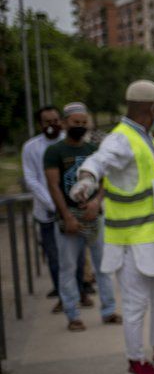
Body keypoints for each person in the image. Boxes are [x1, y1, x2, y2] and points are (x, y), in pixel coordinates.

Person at [71, 80, 154, 374]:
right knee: (135, 303)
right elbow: (99, 161)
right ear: (152, 108)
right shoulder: (122, 139)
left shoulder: (146, 136)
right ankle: (135, 361)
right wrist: (87, 180)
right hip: (132, 241)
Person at [42, 102, 119, 331]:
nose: (80, 127)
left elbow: (106, 179)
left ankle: (108, 310)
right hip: (69, 218)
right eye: (76, 123)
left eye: (84, 123)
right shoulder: (54, 152)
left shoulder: (93, 150)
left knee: (103, 265)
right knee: (68, 267)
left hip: (94, 215)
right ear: (65, 123)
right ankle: (73, 315)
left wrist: (97, 202)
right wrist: (67, 216)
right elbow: (54, 185)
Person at [22, 105, 85, 312]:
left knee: (76, 254)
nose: (53, 125)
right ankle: (63, 296)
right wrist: (52, 203)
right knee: (54, 256)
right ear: (40, 124)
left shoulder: (69, 142)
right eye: (47, 122)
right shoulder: (31, 147)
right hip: (47, 212)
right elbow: (31, 179)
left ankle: (80, 292)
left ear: (62, 121)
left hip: (72, 209)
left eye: (56, 120)